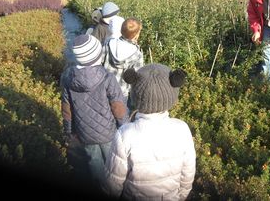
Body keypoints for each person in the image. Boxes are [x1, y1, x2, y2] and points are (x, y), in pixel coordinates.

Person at [102, 63, 196, 200]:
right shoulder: (182, 130)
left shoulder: (124, 135)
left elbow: (113, 183)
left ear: (135, 93)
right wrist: (179, 197)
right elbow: (187, 174)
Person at [60, 34, 128, 187]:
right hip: (108, 132)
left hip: (85, 133)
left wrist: (69, 131)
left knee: (94, 161)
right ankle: (115, 189)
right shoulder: (107, 77)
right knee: (114, 162)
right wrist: (124, 126)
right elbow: (118, 107)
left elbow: (66, 109)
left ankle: (100, 187)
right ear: (98, 55)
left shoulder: (67, 78)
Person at [103, 17, 144, 113]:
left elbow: (100, 61)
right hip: (122, 91)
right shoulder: (137, 53)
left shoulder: (109, 43)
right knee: (120, 115)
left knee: (105, 112)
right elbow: (137, 76)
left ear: (121, 30)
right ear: (136, 35)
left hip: (105, 86)